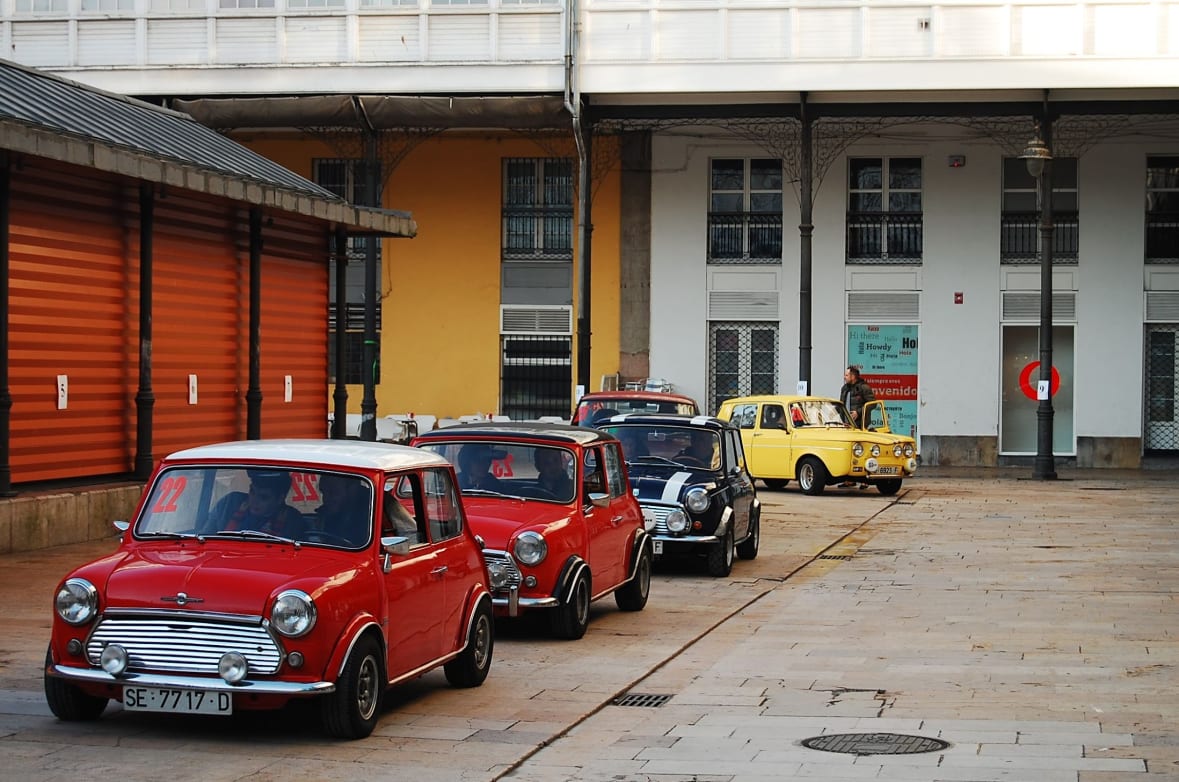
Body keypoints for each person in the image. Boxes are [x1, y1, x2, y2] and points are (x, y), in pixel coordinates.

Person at [211, 469, 305, 538]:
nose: (254, 500)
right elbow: (206, 534)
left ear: (280, 499)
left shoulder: (292, 521)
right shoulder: (230, 504)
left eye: (263, 497)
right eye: (252, 492)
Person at [315, 473, 372, 545]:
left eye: (333, 492)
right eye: (323, 492)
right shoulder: (326, 514)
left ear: (352, 490)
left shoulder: (373, 512)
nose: (325, 499)